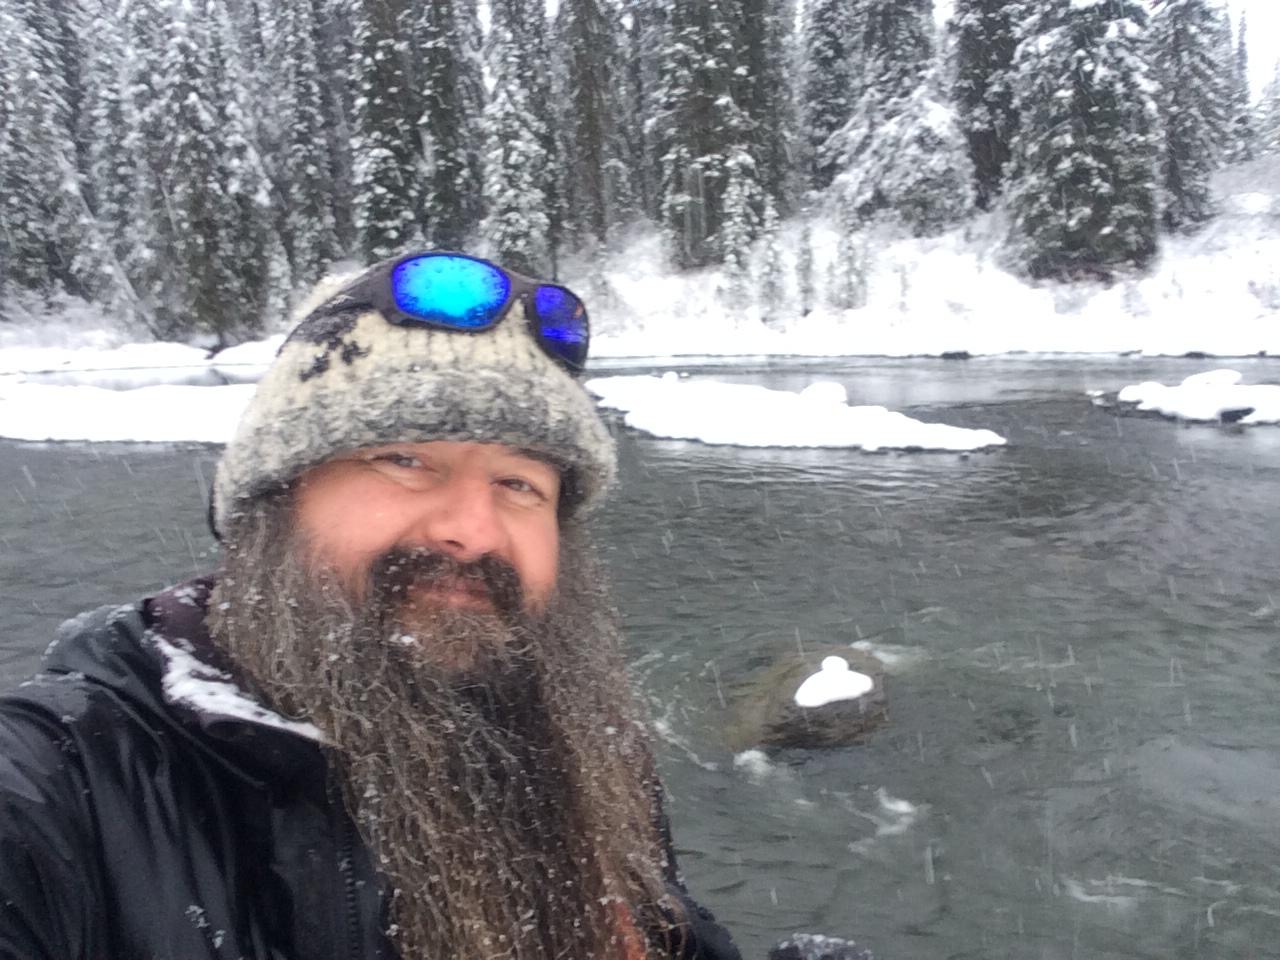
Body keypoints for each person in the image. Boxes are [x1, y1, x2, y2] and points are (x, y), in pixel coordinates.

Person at [0, 251, 742, 960]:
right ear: (273, 501)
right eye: (406, 460)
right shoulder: (68, 788)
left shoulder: (582, 756)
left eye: (519, 485)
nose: (473, 532)